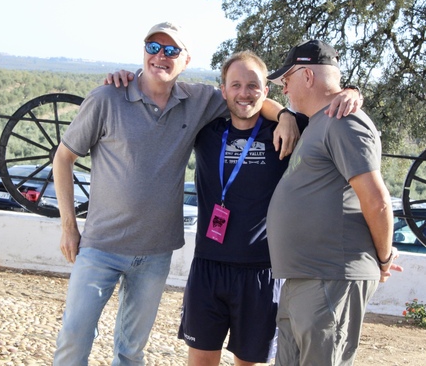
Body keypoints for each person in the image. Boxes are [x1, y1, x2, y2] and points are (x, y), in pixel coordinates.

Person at [52, 21, 302, 366]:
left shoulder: (198, 101)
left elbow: (249, 98)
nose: (161, 56)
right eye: (153, 47)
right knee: (74, 339)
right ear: (143, 51)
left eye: (171, 50)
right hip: (101, 246)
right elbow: (63, 158)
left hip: (155, 254)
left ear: (185, 60)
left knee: (131, 350)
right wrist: (68, 225)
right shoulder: (107, 97)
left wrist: (287, 115)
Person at [265, 40, 403, 366]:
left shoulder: (344, 120)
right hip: (305, 278)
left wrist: (383, 259)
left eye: (287, 79)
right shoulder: (318, 122)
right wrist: (286, 114)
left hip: (330, 277)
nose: (284, 88)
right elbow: (253, 100)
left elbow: (377, 200)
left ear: (308, 77)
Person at [177, 50, 308, 366]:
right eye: (235, 85)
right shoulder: (207, 132)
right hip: (208, 266)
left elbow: (328, 111)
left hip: (261, 272)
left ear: (266, 91)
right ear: (223, 91)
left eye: (253, 85)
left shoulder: (284, 132)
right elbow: (160, 92)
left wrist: (288, 116)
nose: (244, 93)